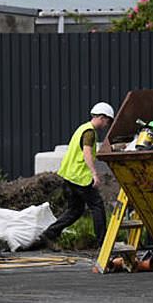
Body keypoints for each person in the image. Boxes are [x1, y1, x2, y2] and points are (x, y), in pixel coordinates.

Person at [38, 102, 115, 251]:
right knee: (97, 206)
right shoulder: (90, 132)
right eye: (108, 120)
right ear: (101, 117)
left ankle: (49, 234)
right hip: (80, 177)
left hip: (70, 175)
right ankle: (103, 244)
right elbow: (86, 153)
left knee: (75, 210)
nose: (107, 124)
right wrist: (94, 173)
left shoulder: (82, 128)